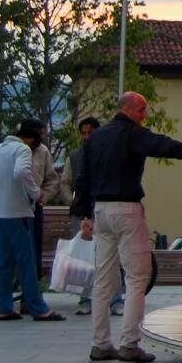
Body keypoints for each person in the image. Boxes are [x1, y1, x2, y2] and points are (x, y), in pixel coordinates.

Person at [71, 91, 182, 363]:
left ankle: (100, 343)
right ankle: (129, 343)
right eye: (142, 110)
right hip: (126, 208)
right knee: (137, 277)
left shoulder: (95, 137)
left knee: (104, 278)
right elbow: (164, 145)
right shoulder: (132, 134)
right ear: (129, 109)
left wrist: (84, 213)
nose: (145, 115)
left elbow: (83, 176)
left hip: (100, 210)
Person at [0, 119, 64, 322]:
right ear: (30, 139)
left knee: (4, 263)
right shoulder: (22, 150)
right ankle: (38, 307)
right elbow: (21, 172)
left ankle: (3, 306)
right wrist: (34, 194)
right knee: (27, 263)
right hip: (20, 214)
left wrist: (1, 196)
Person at [71, 117, 110, 317]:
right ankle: (85, 298)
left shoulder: (108, 154)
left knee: (110, 256)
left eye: (90, 132)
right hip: (83, 210)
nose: (86, 137)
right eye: (84, 133)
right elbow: (73, 182)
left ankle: (115, 298)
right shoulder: (76, 156)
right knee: (85, 258)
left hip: (103, 208)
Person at [30, 125, 64, 288]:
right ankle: (4, 300)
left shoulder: (42, 151)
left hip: (34, 208)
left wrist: (44, 195)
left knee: (34, 252)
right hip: (12, 209)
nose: (42, 138)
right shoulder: (10, 150)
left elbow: (52, 179)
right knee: (10, 254)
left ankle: (30, 298)